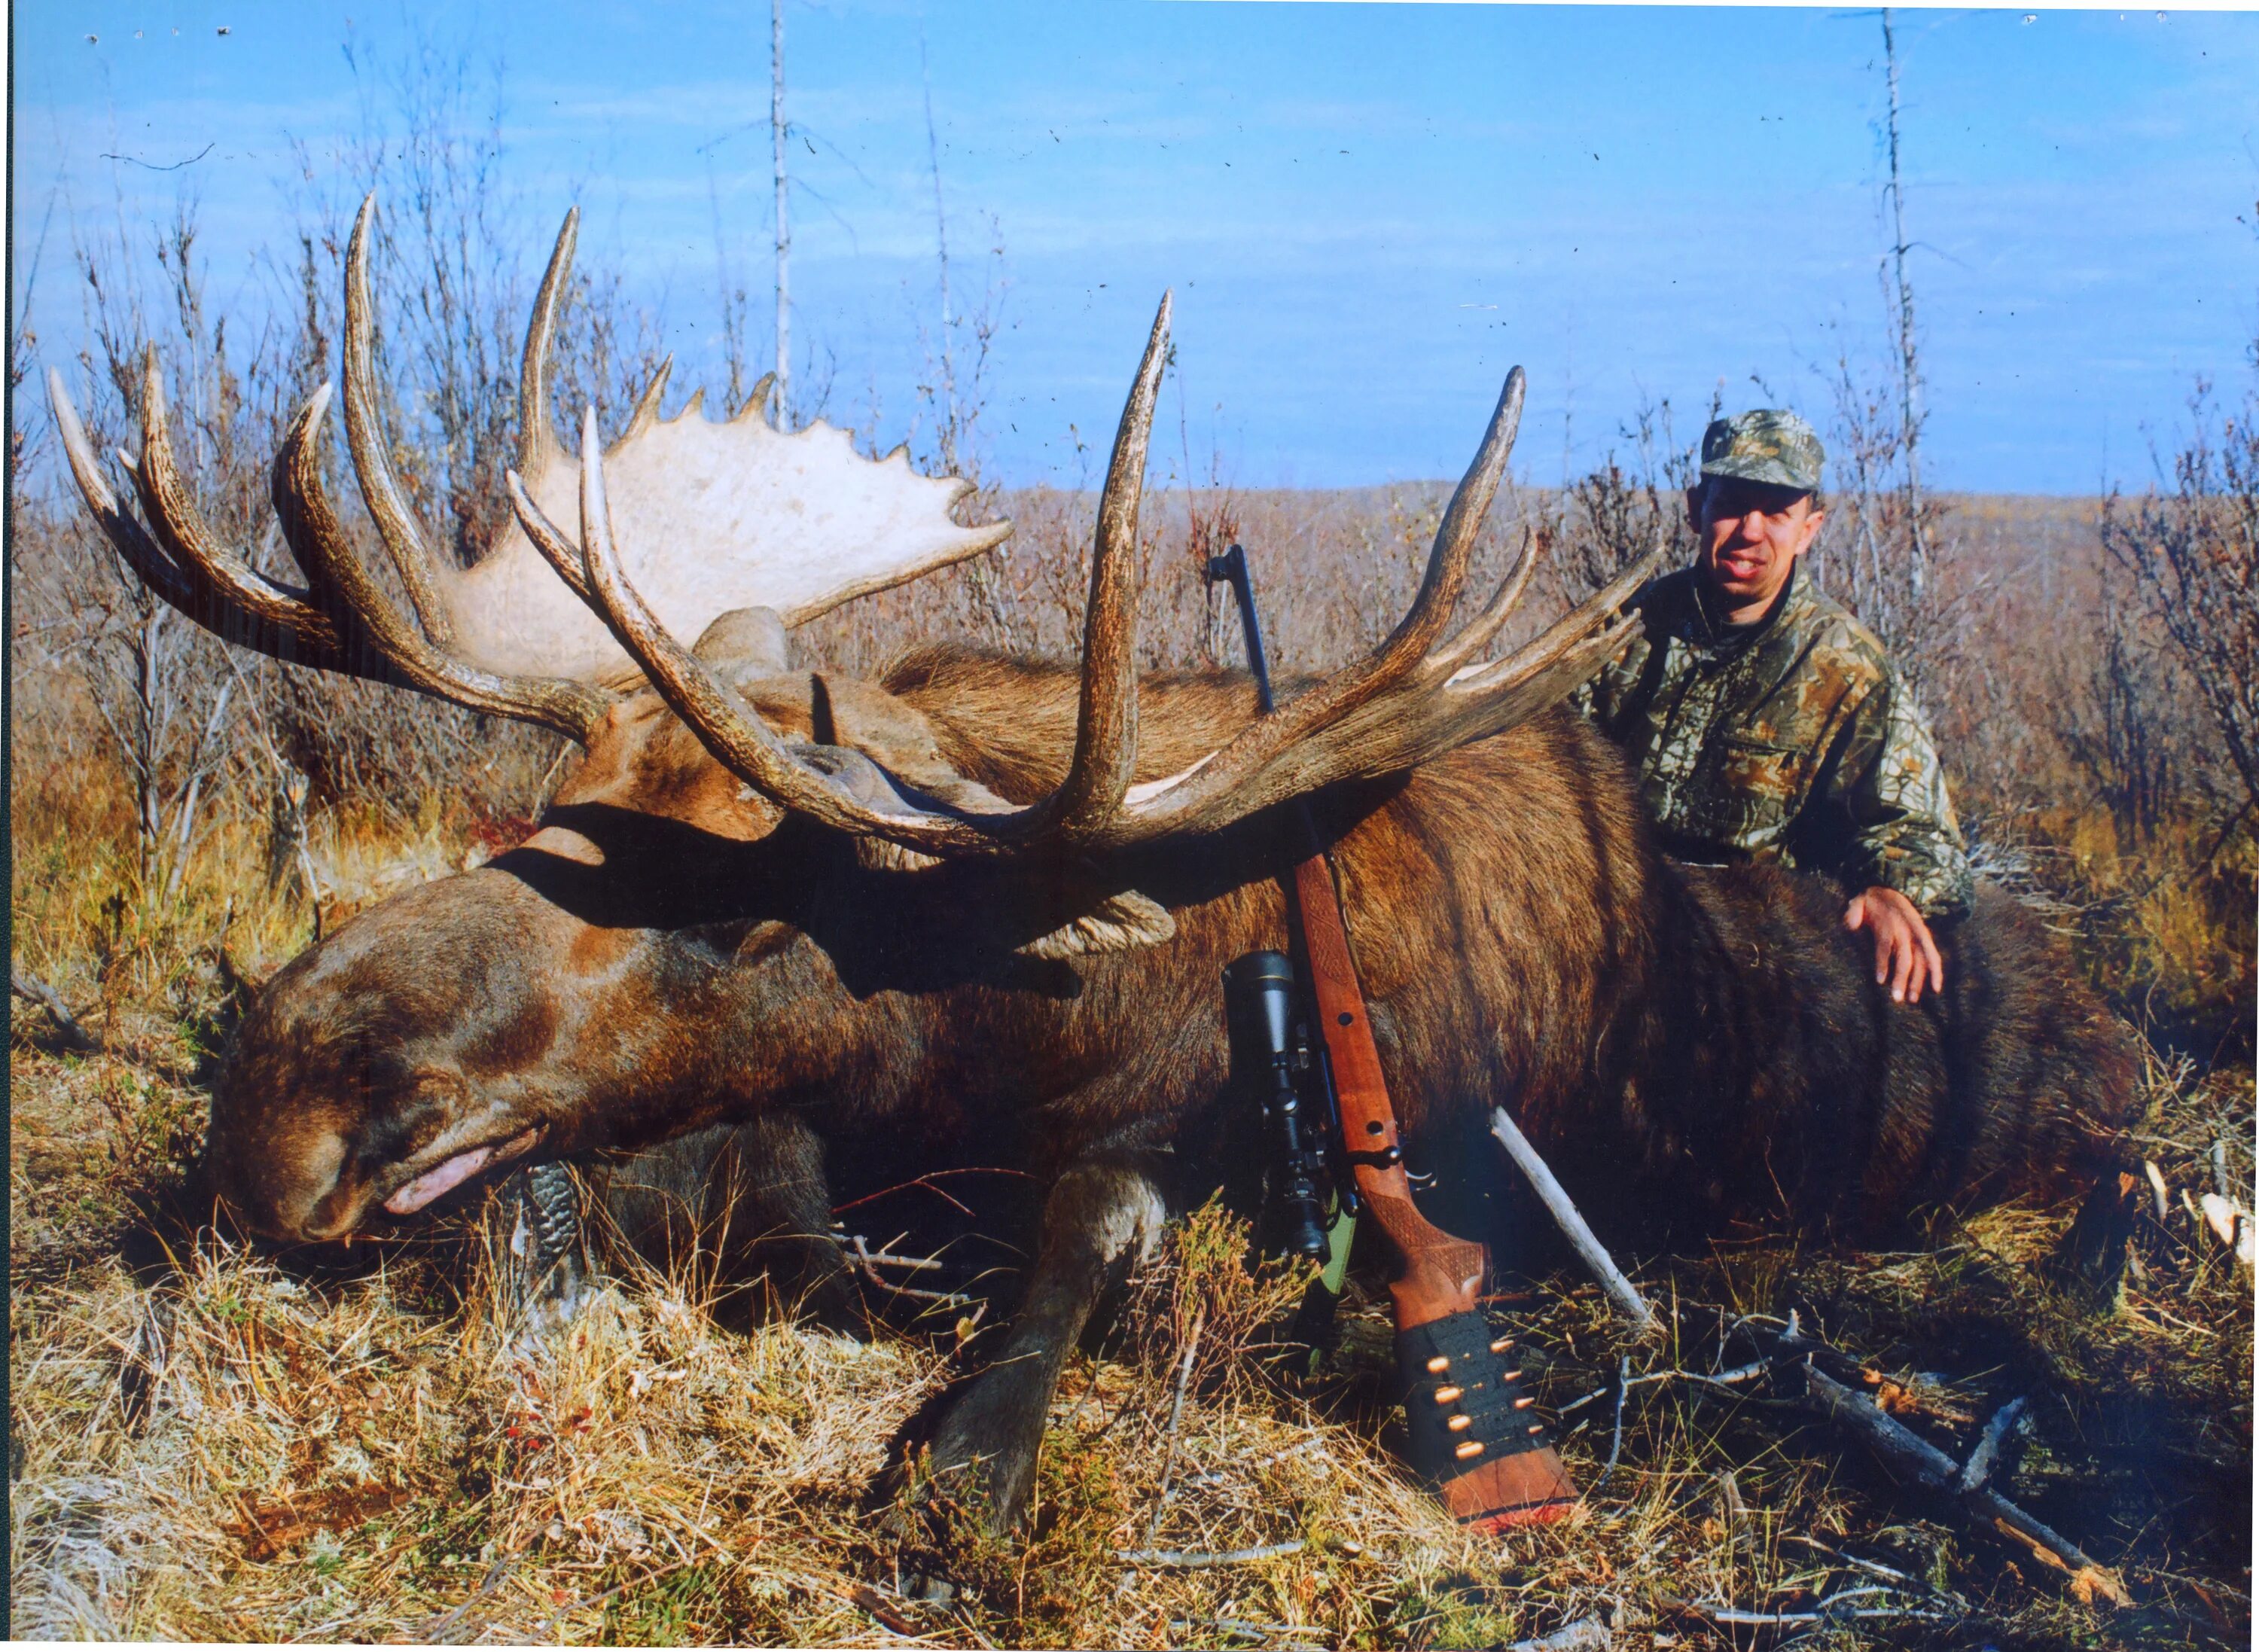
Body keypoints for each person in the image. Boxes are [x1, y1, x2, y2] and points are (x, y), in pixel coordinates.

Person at [1581, 408, 1973, 1004]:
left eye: (1776, 513)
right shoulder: (1623, 630)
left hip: (1755, 962)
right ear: (1695, 509)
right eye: (1733, 504)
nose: (1750, 531)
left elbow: (1917, 833)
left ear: (1810, 529)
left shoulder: (1847, 668)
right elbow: (1543, 758)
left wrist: (1891, 889)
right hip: (1604, 926)